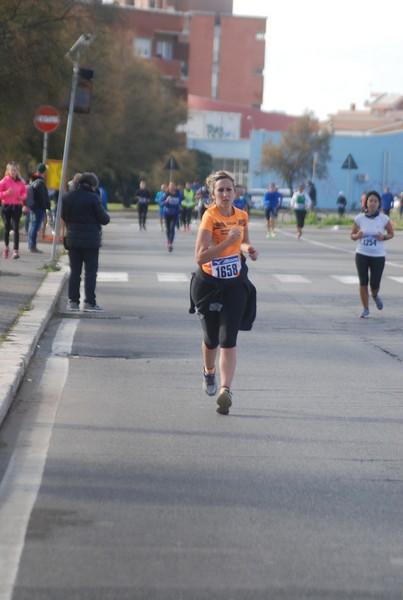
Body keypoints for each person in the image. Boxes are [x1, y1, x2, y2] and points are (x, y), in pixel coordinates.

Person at [190, 170, 258, 415]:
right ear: (213, 194)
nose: (226, 194)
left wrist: (248, 248)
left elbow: (241, 242)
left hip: (234, 284)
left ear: (235, 192)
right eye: (221, 190)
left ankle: (225, 391)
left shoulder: (242, 216)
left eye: (229, 189)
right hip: (208, 283)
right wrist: (228, 242)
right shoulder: (209, 217)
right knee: (210, 338)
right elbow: (200, 256)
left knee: (228, 338)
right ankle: (209, 373)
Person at [61, 172, 110, 312]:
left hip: (73, 240)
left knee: (75, 271)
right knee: (90, 272)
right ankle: (90, 302)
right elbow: (104, 219)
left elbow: (64, 216)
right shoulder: (93, 198)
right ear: (92, 185)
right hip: (91, 242)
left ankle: (73, 302)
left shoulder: (68, 197)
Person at [350, 190, 394, 319]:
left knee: (374, 284)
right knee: (363, 282)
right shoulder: (359, 218)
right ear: (366, 203)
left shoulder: (384, 219)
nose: (373, 203)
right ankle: (365, 309)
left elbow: (391, 233)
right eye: (370, 201)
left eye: (375, 201)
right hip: (362, 254)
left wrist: (383, 237)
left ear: (379, 203)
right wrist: (357, 235)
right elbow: (352, 235)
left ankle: (374, 295)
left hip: (378, 256)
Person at [0, 161, 27, 259]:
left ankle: (16, 250)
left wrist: (22, 197)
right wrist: (6, 193)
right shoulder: (4, 181)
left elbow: (24, 192)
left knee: (16, 228)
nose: (13, 172)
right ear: (8, 171)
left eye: (15, 170)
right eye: (11, 170)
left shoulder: (21, 182)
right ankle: (6, 247)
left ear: (17, 171)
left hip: (17, 206)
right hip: (6, 206)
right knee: (7, 227)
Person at [28, 163, 49, 253]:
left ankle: (31, 245)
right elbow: (42, 196)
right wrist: (45, 207)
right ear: (44, 171)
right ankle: (32, 246)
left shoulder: (33, 180)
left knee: (33, 225)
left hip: (34, 206)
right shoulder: (40, 182)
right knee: (35, 226)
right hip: (39, 207)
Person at [161, 181, 182, 251]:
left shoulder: (178, 194)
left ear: (175, 187)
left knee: (172, 228)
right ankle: (168, 241)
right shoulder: (166, 194)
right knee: (167, 228)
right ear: (169, 187)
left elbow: (182, 199)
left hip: (175, 213)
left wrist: (180, 206)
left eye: (173, 186)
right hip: (167, 213)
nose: (172, 187)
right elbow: (161, 204)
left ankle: (170, 243)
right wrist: (165, 201)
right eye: (171, 186)